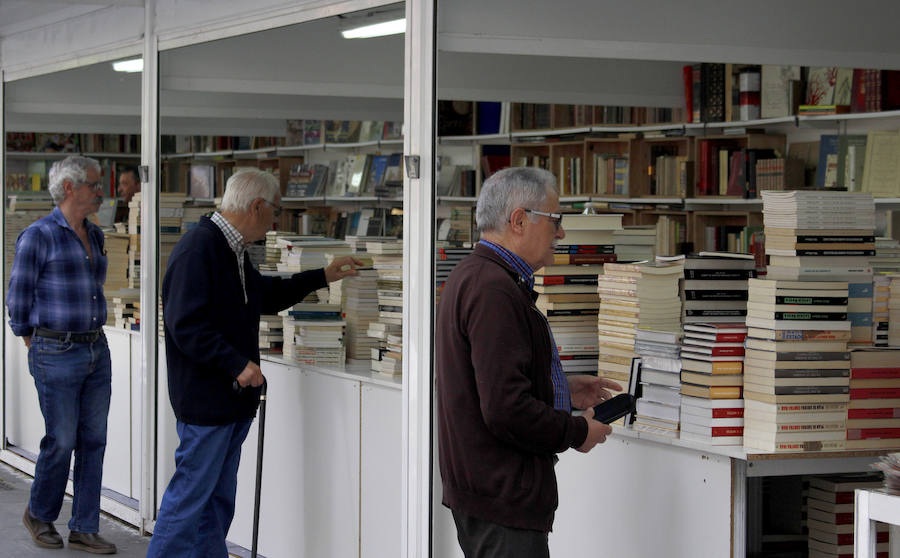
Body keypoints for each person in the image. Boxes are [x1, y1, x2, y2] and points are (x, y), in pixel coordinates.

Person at [146, 169, 362, 557]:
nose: (274, 221)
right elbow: (185, 326)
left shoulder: (232, 249)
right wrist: (236, 364)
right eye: (275, 210)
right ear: (257, 206)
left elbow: (263, 295)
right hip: (208, 402)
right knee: (190, 500)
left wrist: (323, 276)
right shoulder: (200, 249)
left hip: (230, 402)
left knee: (216, 502)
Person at [435, 166, 620, 558]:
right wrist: (576, 432)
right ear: (519, 221)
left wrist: (559, 388)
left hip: (489, 491)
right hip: (502, 496)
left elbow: (487, 382)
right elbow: (506, 409)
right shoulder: (493, 290)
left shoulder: (475, 275)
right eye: (555, 220)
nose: (561, 233)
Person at [8, 155, 118, 554]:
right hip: (55, 350)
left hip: (95, 348)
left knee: (94, 440)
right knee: (61, 440)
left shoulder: (96, 234)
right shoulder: (38, 236)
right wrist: (32, 339)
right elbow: (17, 298)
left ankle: (84, 527)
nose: (100, 191)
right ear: (70, 188)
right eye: (93, 184)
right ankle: (39, 514)